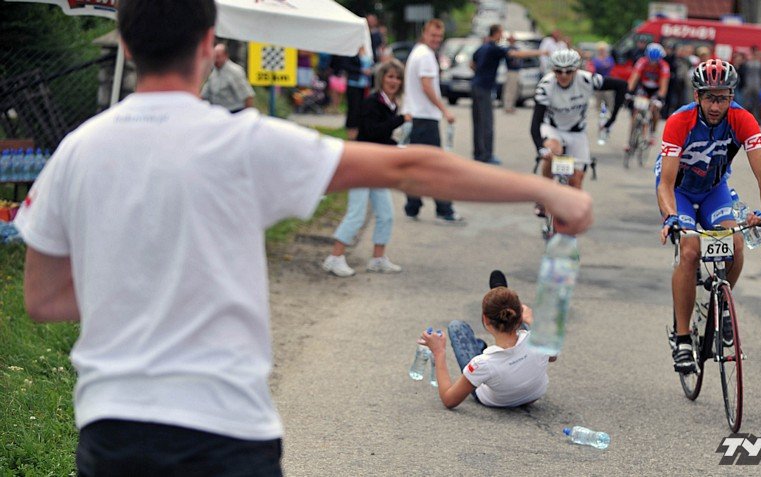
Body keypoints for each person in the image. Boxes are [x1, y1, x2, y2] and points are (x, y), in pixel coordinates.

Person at [13, 1, 594, 474]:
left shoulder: (76, 151)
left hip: (112, 428)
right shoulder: (241, 141)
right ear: (210, 43)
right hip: (224, 429)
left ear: (125, 40)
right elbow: (407, 167)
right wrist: (546, 191)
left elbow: (43, 299)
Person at [657, 59, 761, 374]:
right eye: (709, 97)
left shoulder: (742, 119)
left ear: (731, 96)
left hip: (714, 190)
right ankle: (683, 337)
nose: (715, 106)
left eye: (722, 98)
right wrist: (670, 217)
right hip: (680, 193)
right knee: (690, 251)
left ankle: (721, 302)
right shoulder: (679, 121)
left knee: (735, 244)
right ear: (697, 95)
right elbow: (665, 184)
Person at [419, 270, 555, 408]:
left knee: (456, 326)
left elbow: (449, 400)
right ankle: (503, 298)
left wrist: (438, 352)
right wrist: (533, 322)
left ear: (485, 319)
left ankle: (499, 300)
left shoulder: (482, 364)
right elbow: (552, 357)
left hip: (497, 398)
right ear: (521, 316)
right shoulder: (541, 340)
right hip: (534, 394)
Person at [323, 59, 408, 277]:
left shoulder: (392, 105)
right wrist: (400, 120)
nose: (394, 81)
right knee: (357, 213)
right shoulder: (372, 102)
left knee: (386, 214)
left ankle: (378, 258)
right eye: (390, 76)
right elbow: (371, 132)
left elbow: (382, 138)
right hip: (361, 165)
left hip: (377, 166)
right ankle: (335, 257)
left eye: (398, 78)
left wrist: (399, 148)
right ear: (382, 79)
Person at [531, 49, 626, 193]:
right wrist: (540, 148)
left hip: (577, 132)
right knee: (554, 150)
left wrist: (612, 118)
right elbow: (535, 122)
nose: (563, 75)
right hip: (553, 128)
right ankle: (545, 191)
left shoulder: (587, 79)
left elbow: (621, 85)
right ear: (553, 70)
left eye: (568, 71)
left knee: (576, 183)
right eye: (558, 71)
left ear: (576, 70)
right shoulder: (545, 86)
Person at [401, 19, 463, 224]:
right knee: (437, 167)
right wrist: (445, 110)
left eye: (439, 36)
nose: (436, 39)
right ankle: (444, 210)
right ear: (424, 33)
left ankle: (412, 207)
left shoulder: (417, 52)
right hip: (425, 118)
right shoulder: (426, 56)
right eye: (433, 35)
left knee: (416, 166)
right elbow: (426, 86)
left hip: (415, 116)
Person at [471, 24, 542, 164]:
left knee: (477, 122)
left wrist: (481, 72)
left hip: (475, 85)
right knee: (487, 123)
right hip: (485, 88)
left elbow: (472, 64)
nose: (502, 35)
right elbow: (515, 54)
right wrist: (540, 53)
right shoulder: (494, 48)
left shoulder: (482, 47)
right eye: (501, 33)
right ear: (496, 33)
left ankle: (478, 153)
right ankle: (487, 155)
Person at [625, 42, 670, 142]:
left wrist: (660, 97)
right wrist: (629, 91)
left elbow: (664, 85)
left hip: (656, 90)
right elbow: (634, 78)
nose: (653, 64)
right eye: (650, 60)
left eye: (655, 61)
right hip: (643, 87)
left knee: (655, 109)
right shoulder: (642, 62)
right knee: (636, 110)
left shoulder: (664, 66)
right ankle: (630, 139)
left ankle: (653, 132)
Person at [200, 43, 254, 113]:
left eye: (218, 57)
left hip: (234, 112)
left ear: (225, 56)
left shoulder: (235, 72)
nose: (216, 60)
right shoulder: (213, 72)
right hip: (217, 111)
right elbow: (204, 94)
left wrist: (248, 115)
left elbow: (247, 96)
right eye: (214, 57)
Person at [340, 48, 374, 141]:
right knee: (353, 109)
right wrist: (361, 70)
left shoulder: (368, 50)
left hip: (365, 84)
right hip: (353, 83)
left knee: (362, 108)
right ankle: (351, 132)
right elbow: (346, 66)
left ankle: (360, 131)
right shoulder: (351, 51)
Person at [502, 32, 522, 114]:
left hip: (516, 71)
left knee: (515, 90)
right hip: (511, 70)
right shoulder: (508, 49)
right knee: (509, 89)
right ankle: (507, 106)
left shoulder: (516, 48)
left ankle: (512, 105)